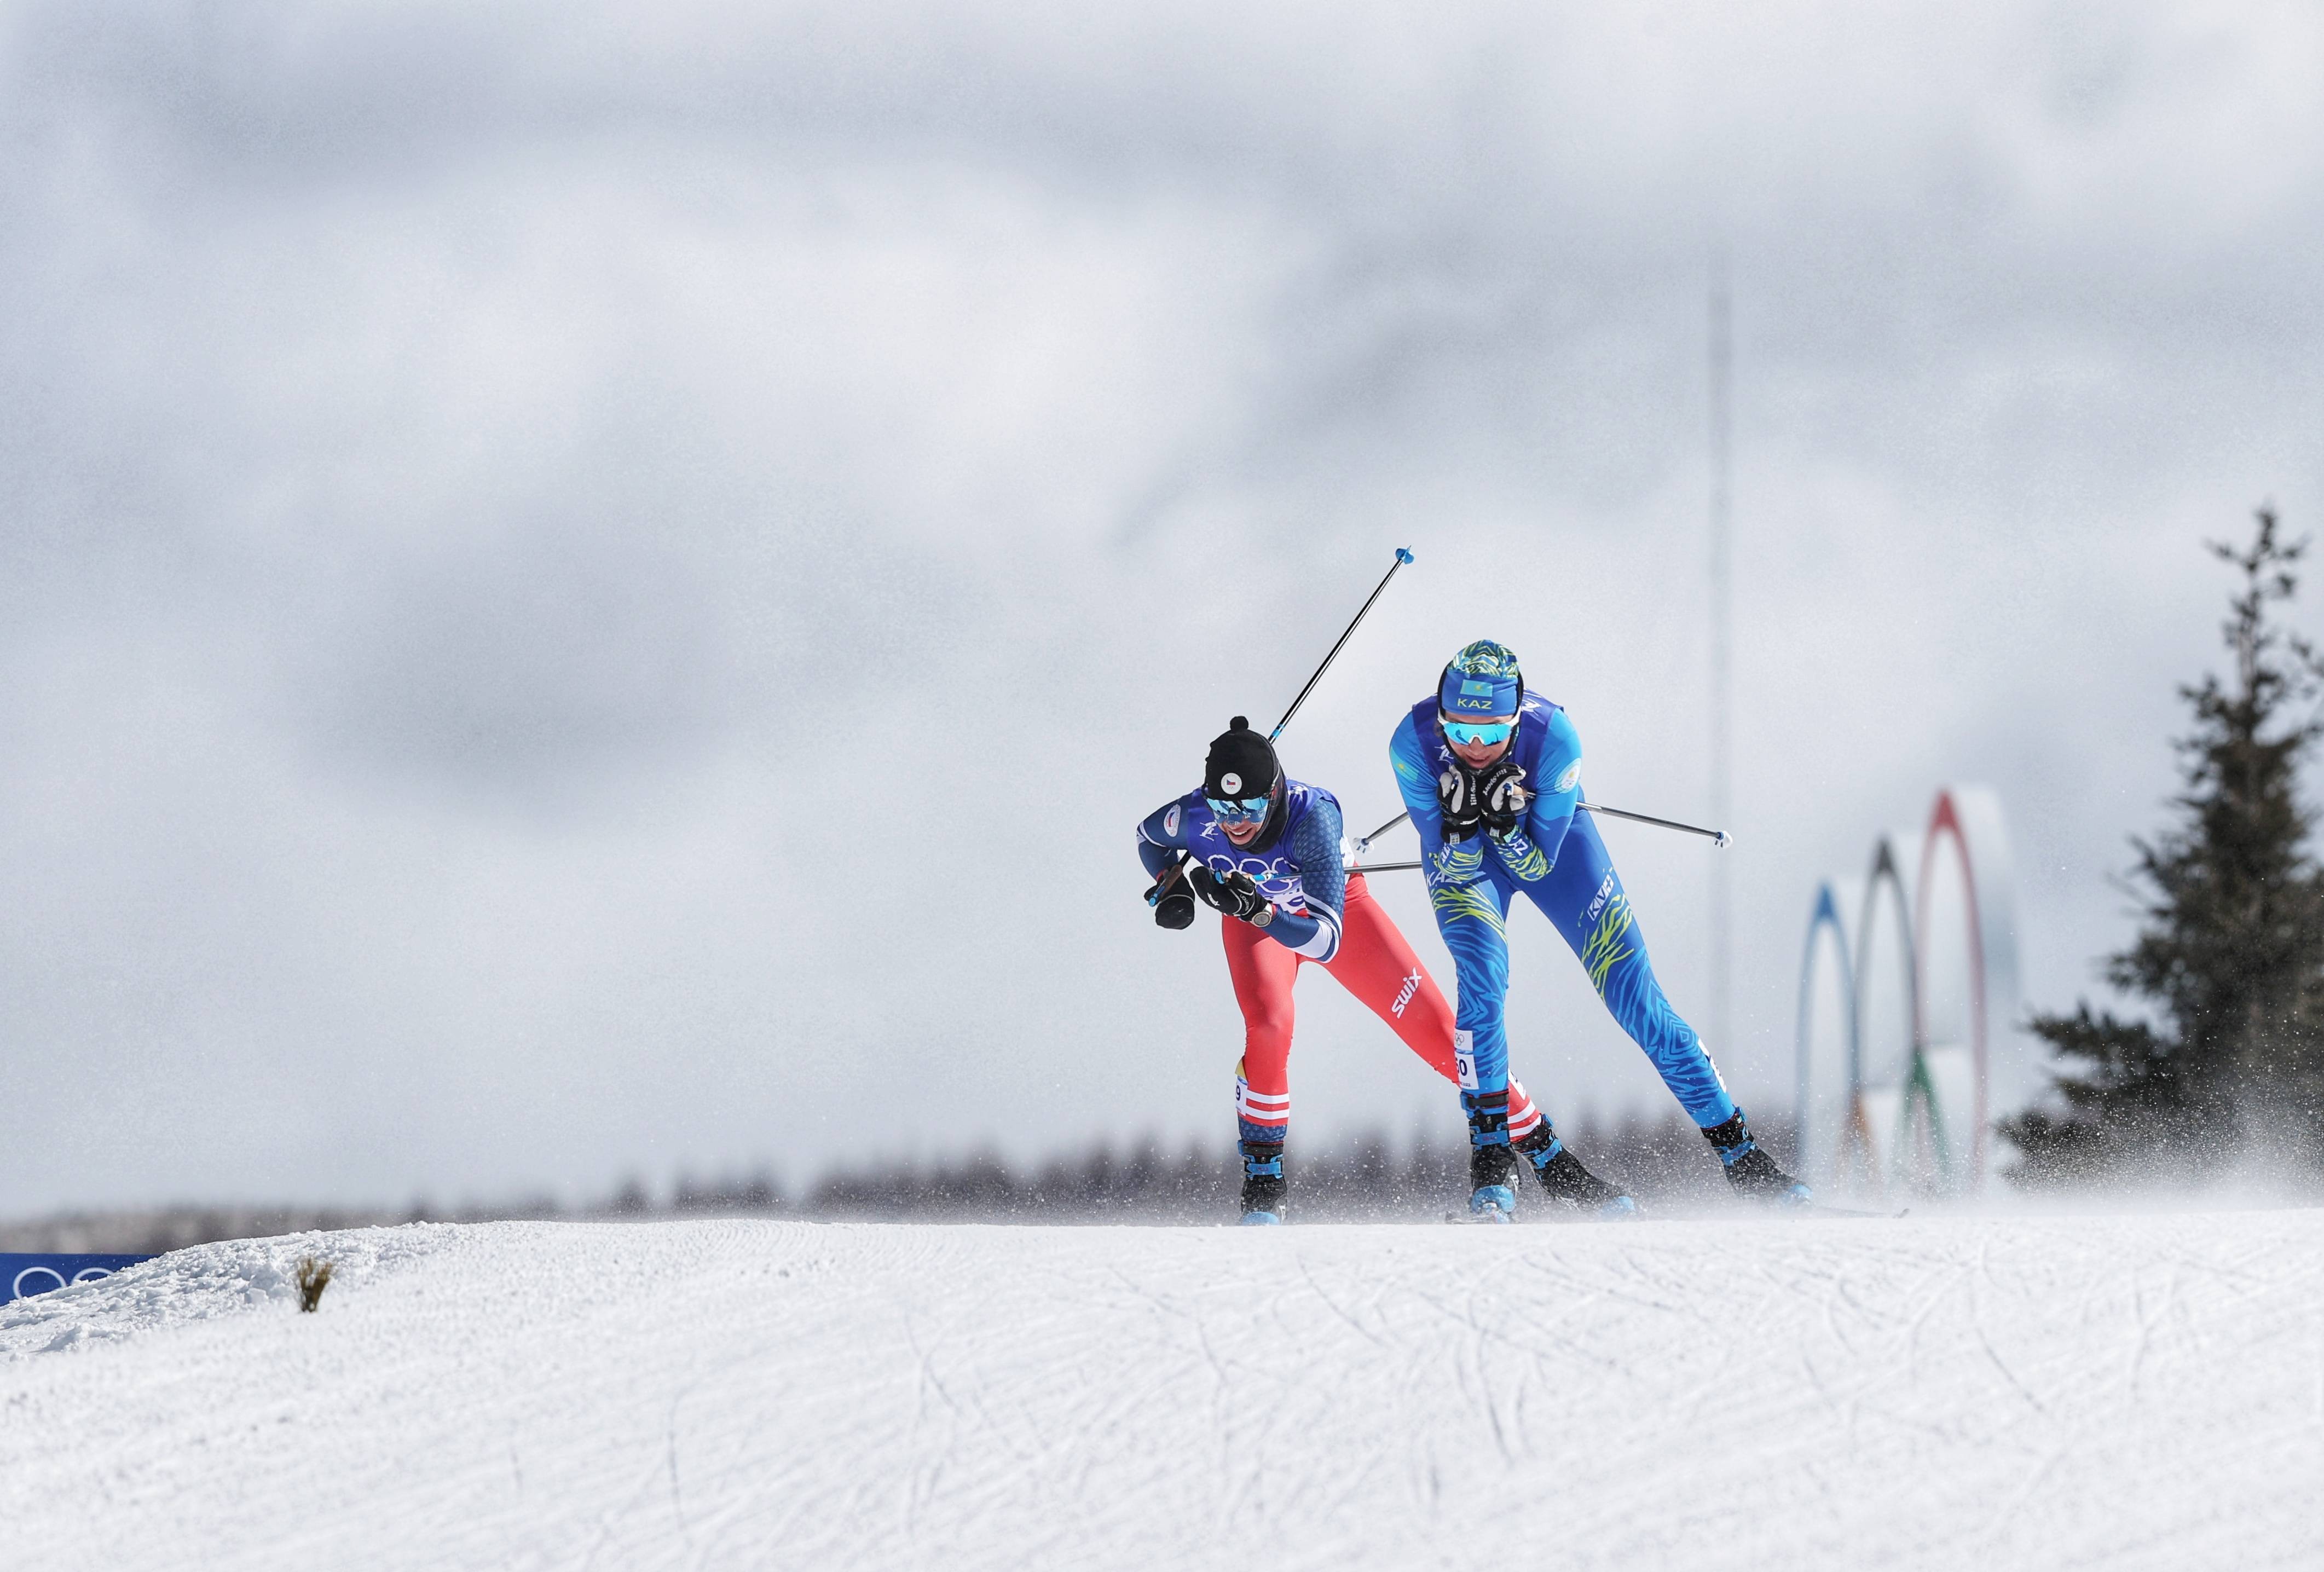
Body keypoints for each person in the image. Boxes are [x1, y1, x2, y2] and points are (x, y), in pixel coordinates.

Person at [1137, 716, 1632, 1222]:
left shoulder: (1314, 819)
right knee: (1270, 1026)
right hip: (1256, 928)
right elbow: (1147, 837)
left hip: (1332, 918)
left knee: (1443, 1037)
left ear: (1277, 792)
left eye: (1249, 807)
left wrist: (1258, 910)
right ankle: (1263, 1191)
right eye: (1223, 808)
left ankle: (1553, 1162)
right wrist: (1169, 880)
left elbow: (1327, 941)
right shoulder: (1194, 816)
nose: (1234, 822)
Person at [1388, 640, 1812, 1217]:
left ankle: (1742, 1156)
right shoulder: (1411, 743)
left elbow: (1538, 863)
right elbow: (1446, 864)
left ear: (1516, 721)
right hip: (1470, 867)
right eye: (1460, 732)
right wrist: (1463, 827)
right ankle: (1492, 1158)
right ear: (1442, 718)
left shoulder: (1555, 739)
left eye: (1492, 734)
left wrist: (1507, 826)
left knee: (1636, 998)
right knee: (1483, 982)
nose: (1474, 748)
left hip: (1549, 848)